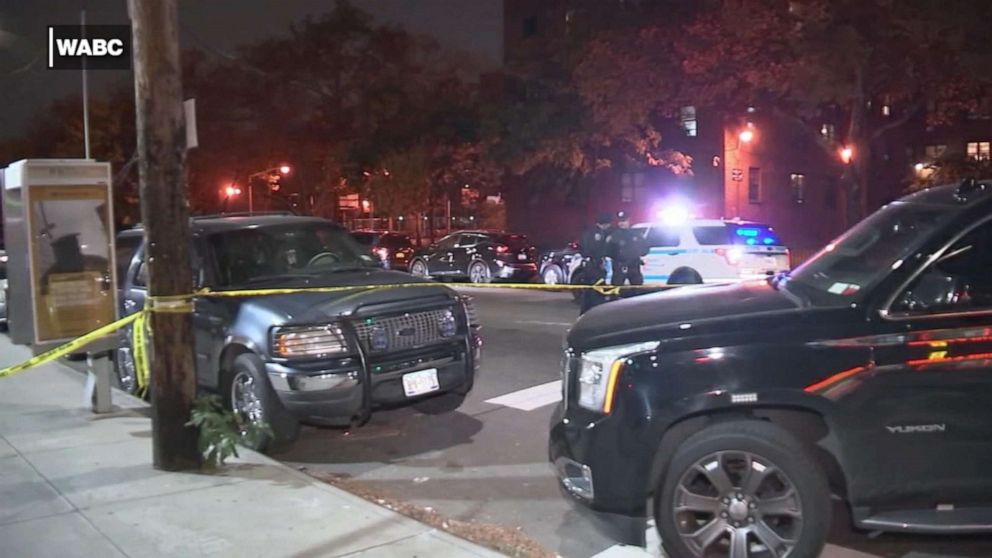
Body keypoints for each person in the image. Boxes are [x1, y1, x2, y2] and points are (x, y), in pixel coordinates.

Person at [578, 212, 614, 314]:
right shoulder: (599, 234)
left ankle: (584, 317)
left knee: (588, 295)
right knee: (597, 296)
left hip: (589, 268)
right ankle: (594, 316)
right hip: (597, 268)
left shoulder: (588, 233)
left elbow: (582, 250)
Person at [607, 211, 648, 295]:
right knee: (616, 290)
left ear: (629, 221)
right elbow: (608, 251)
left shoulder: (636, 234)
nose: (622, 223)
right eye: (620, 221)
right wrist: (618, 258)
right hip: (619, 266)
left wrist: (638, 255)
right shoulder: (614, 235)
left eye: (624, 221)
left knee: (637, 289)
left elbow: (645, 248)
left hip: (634, 265)